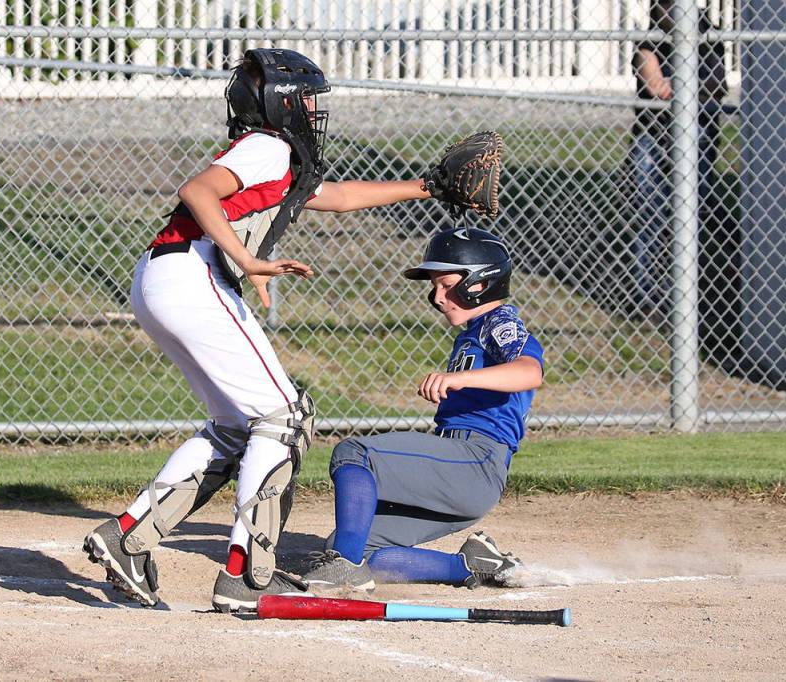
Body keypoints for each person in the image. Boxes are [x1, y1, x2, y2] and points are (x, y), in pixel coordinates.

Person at [82, 48, 439, 613]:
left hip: (171, 276)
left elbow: (340, 197)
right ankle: (249, 576)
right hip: (192, 275)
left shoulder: (278, 156)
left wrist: (426, 186)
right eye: (308, 101)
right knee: (285, 418)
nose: (316, 112)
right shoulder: (268, 145)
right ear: (281, 103)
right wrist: (246, 263)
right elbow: (197, 192)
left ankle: (129, 539)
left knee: (235, 427)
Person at [299, 227, 543, 592]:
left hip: (475, 461)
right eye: (435, 287)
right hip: (463, 468)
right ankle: (474, 565)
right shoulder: (472, 332)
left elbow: (529, 371)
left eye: (446, 284)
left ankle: (344, 569)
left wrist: (461, 380)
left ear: (481, 283)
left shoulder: (499, 323)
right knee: (355, 545)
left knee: (354, 453)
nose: (438, 297)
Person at [629, 0, 727, 320]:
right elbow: (653, 83)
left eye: (669, 5)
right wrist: (677, 85)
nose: (662, 9)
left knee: (691, 215)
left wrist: (681, 87)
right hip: (652, 134)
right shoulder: (651, 38)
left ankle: (691, 294)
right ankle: (649, 296)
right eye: (660, 5)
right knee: (649, 214)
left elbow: (715, 86)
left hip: (696, 133)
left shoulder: (708, 35)